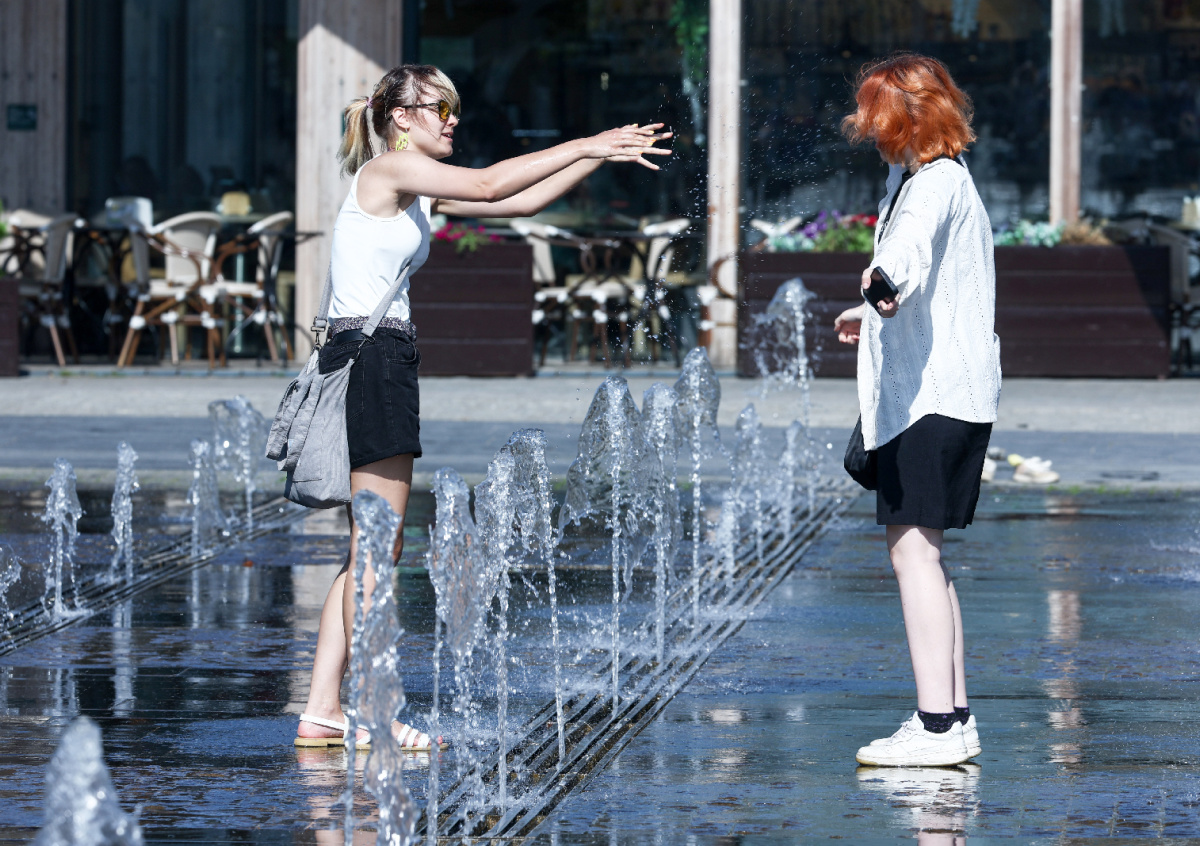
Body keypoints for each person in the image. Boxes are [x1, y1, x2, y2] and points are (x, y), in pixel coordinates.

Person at [294, 64, 670, 750]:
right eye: (439, 108)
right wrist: (586, 141)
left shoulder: (414, 190)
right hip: (373, 357)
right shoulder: (388, 170)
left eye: (453, 108)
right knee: (377, 543)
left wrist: (600, 154)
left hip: (379, 356)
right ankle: (374, 710)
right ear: (400, 116)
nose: (453, 120)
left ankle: (323, 709)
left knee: (372, 545)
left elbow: (518, 205)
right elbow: (490, 182)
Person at [833, 54, 1001, 767]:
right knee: (923, 550)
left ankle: (936, 727)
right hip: (946, 392)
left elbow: (904, 257)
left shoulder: (933, 183)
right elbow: (923, 269)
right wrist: (872, 307)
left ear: (908, 120)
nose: (867, 131)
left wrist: (880, 287)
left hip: (935, 397)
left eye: (876, 118)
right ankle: (952, 718)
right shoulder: (923, 177)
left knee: (913, 551)